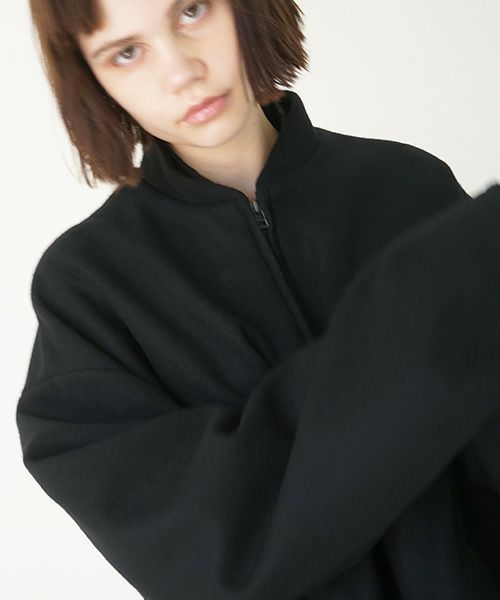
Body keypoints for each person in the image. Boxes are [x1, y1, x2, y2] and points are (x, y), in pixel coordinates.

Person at [16, 0, 500, 598]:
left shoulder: (410, 185)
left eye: (192, 11)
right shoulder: (86, 291)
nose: (181, 71)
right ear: (89, 77)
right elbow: (212, 555)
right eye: (127, 52)